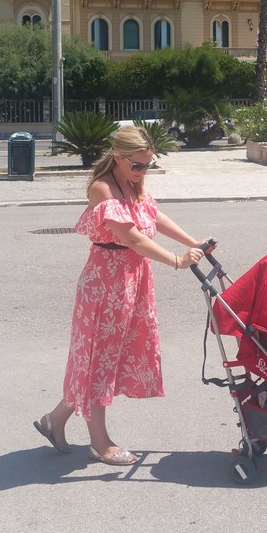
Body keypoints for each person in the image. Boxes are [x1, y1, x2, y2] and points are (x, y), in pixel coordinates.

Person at [34, 125, 211, 466]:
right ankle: (100, 443)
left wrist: (191, 242)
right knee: (99, 359)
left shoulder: (131, 183)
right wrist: (176, 260)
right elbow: (131, 237)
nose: (143, 171)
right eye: (138, 165)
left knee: (104, 357)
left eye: (148, 165)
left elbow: (152, 216)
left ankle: (53, 420)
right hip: (106, 285)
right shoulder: (102, 189)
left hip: (130, 281)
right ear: (118, 157)